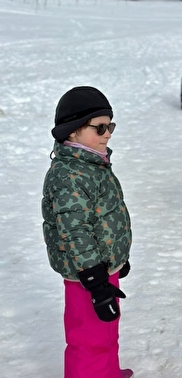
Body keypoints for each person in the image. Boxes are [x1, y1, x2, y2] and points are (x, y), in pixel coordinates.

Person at [42, 86, 133, 378]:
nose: (108, 133)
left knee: (107, 331)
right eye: (100, 127)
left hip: (103, 267)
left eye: (111, 126)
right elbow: (75, 230)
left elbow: (103, 217)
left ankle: (108, 373)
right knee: (88, 340)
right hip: (86, 274)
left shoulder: (91, 164)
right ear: (72, 132)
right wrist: (94, 278)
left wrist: (117, 256)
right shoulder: (68, 174)